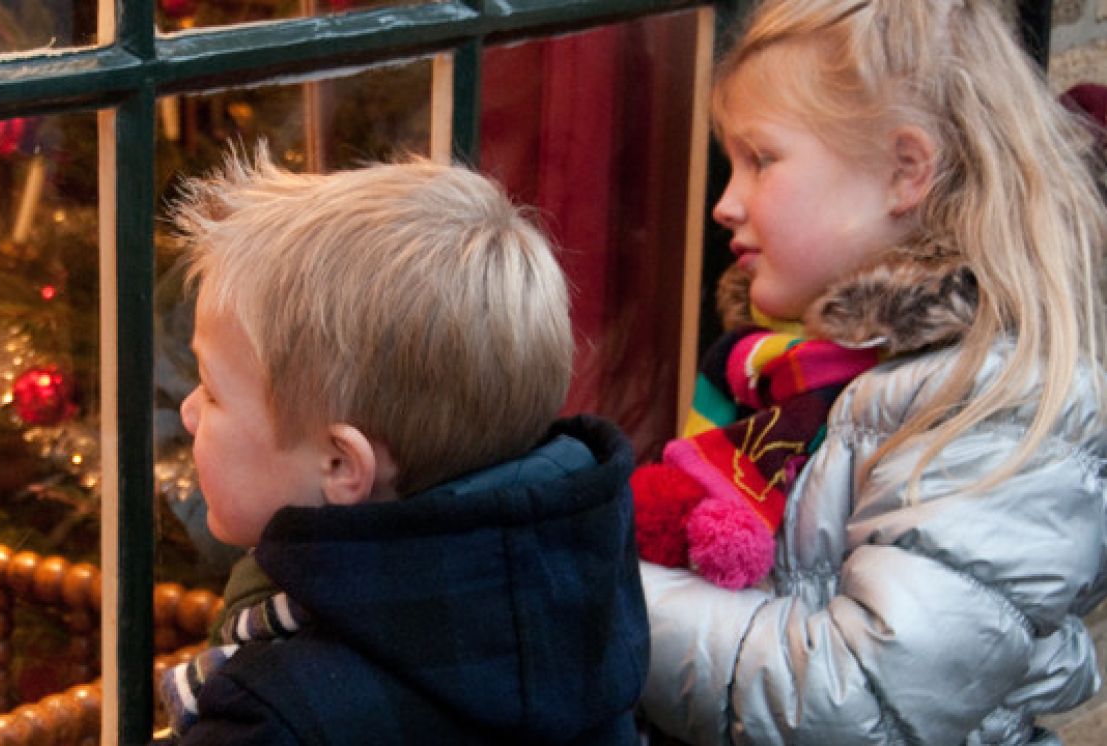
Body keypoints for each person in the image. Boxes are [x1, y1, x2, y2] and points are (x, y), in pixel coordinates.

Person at [637, 1, 1107, 744]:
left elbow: (851, 699)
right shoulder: (798, 369)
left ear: (904, 172)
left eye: (760, 159)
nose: (726, 203)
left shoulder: (989, 405)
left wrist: (604, 592)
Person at [156, 149, 649, 745]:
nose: (187, 412)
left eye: (211, 392)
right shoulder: (577, 608)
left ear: (340, 465)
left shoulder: (280, 715)